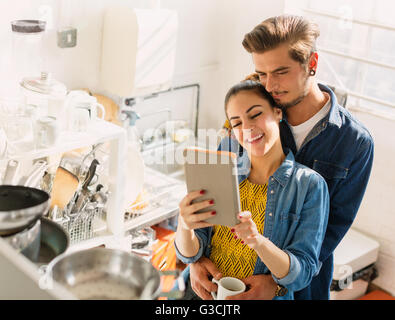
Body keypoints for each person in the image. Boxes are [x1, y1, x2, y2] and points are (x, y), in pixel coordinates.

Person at [188, 15, 374, 300]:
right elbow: (213, 198)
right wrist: (195, 261)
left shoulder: (355, 143)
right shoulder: (252, 116)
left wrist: (277, 284)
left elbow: (329, 233)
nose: (270, 85)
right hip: (223, 282)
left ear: (311, 64)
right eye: (262, 74)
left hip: (297, 287)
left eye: (280, 72)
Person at [175, 80, 329, 300]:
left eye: (255, 114)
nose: (247, 128)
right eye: (236, 123)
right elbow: (190, 252)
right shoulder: (220, 171)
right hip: (200, 295)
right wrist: (184, 225)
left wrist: (258, 241)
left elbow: (301, 273)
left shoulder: (309, 185)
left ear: (278, 113)